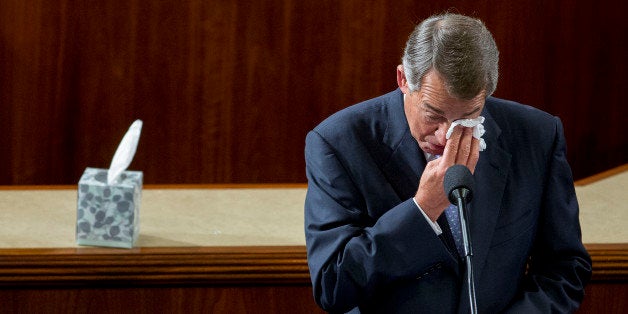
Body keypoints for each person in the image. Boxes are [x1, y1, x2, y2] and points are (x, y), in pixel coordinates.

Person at [304, 13, 591, 313]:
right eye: (433, 114)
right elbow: (332, 285)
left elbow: (565, 268)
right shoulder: (338, 143)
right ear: (403, 80)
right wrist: (422, 211)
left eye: (468, 115)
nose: (446, 135)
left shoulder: (537, 136)